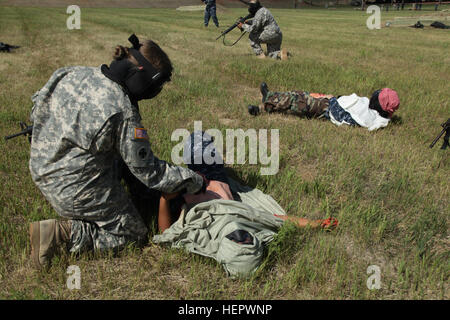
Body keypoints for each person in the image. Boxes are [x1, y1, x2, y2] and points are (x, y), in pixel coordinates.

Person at [28, 34, 205, 269]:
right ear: (141, 73)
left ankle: (139, 198)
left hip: (43, 164)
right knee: (132, 234)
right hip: (73, 188)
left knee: (120, 156)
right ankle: (64, 233)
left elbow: (37, 106)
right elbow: (149, 171)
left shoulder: (70, 72)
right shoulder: (123, 110)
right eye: (156, 84)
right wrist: (193, 181)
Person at [157, 131, 338, 233]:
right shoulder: (243, 216)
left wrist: (164, 199)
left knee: (194, 140)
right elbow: (279, 219)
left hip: (188, 186)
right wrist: (317, 223)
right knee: (198, 139)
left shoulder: (206, 232)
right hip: (215, 176)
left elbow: (166, 234)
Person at [247, 82, 400, 131]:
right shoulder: (376, 116)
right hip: (329, 103)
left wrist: (331, 100)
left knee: (296, 100)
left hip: (326, 108)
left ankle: (266, 101)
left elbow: (344, 118)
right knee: (300, 94)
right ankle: (267, 104)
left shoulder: (368, 117)